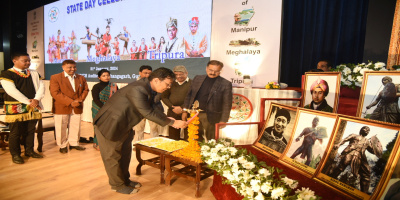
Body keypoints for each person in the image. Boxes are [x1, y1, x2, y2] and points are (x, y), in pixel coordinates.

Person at [93, 67, 187, 194]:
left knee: (125, 155)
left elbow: (154, 107)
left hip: (125, 125)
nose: (169, 87)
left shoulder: (151, 89)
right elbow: (147, 112)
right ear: (156, 80)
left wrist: (166, 118)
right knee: (113, 157)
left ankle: (125, 180)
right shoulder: (138, 88)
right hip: (110, 124)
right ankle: (118, 185)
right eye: (167, 84)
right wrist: (173, 122)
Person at [0, 52, 45, 164]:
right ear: (15, 61)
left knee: (30, 130)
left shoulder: (34, 73)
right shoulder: (7, 73)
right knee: (15, 132)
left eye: (29, 60)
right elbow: (11, 91)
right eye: (25, 60)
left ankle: (29, 151)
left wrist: (37, 99)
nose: (28, 62)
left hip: (33, 104)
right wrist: (29, 102)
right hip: (16, 106)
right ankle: (15, 154)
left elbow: (41, 87)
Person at [182, 60, 232, 141]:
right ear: (206, 68)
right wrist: (184, 111)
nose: (213, 73)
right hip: (193, 114)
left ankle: (209, 153)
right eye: (210, 70)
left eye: (216, 71)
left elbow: (227, 103)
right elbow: (189, 95)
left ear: (220, 71)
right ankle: (195, 152)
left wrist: (224, 120)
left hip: (211, 116)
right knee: (194, 137)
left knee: (211, 139)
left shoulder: (225, 84)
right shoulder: (197, 78)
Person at [50, 59, 89, 154]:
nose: (72, 69)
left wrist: (79, 100)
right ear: (63, 67)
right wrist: (71, 102)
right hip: (61, 106)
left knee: (75, 126)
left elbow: (86, 90)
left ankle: (74, 143)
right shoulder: (55, 77)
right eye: (70, 67)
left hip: (77, 106)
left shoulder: (81, 78)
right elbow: (55, 93)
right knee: (61, 126)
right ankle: (62, 145)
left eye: (74, 67)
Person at [329, 126, 381, 193]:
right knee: (341, 166)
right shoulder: (354, 135)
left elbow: (373, 151)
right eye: (366, 129)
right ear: (361, 129)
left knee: (366, 172)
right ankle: (331, 178)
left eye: (368, 130)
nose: (367, 131)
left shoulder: (367, 141)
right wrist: (338, 144)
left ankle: (363, 193)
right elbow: (345, 139)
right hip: (350, 153)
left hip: (360, 157)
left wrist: (376, 146)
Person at [161, 65, 192, 140]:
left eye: (181, 74)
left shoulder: (193, 84)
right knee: (173, 136)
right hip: (172, 112)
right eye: (176, 74)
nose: (178, 76)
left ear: (186, 73)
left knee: (189, 134)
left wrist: (182, 108)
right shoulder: (170, 83)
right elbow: (164, 97)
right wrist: (172, 107)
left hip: (187, 111)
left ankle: (187, 150)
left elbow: (193, 98)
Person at [91, 69, 118, 150]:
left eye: (108, 75)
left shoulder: (113, 85)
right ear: (99, 77)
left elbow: (117, 97)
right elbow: (96, 99)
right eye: (104, 76)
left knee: (109, 127)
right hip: (98, 108)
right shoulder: (96, 86)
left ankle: (107, 143)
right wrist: (104, 108)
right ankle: (97, 143)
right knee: (98, 126)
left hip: (111, 109)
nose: (106, 77)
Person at [133, 65, 161, 141]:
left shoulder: (155, 82)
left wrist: (152, 102)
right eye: (145, 73)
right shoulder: (135, 83)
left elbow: (159, 94)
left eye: (149, 73)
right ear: (140, 73)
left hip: (152, 109)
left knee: (154, 129)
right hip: (139, 110)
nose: (147, 75)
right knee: (139, 129)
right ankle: (138, 144)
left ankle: (154, 145)